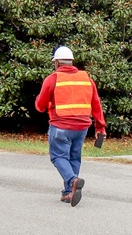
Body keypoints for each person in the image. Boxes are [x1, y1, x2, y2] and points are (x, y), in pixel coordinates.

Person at [34, 45, 106, 207]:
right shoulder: (87, 79)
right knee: (74, 157)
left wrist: (43, 103)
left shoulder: (52, 79)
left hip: (60, 126)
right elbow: (96, 104)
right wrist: (100, 127)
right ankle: (68, 192)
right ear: (72, 62)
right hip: (81, 128)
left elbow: (40, 106)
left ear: (57, 63)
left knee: (58, 157)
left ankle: (73, 180)